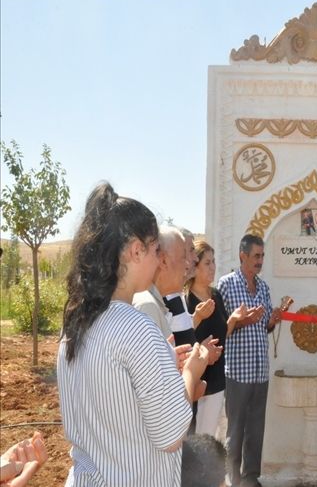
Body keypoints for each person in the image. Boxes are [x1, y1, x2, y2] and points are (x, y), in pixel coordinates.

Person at [57, 182, 208, 486]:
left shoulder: (76, 321)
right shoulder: (136, 328)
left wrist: (163, 359)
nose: (158, 261)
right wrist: (190, 373)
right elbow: (171, 434)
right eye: (155, 250)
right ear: (136, 250)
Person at [217, 234, 280, 487]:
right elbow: (222, 328)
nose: (260, 261)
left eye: (262, 256)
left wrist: (271, 321)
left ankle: (251, 478)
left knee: (256, 431)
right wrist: (242, 321)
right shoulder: (226, 284)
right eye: (256, 256)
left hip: (260, 372)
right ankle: (233, 480)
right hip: (237, 372)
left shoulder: (264, 287)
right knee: (235, 432)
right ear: (242, 256)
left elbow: (263, 327)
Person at [186, 240, 262, 439]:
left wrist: (234, 319)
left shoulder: (216, 295)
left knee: (211, 439)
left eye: (214, 262)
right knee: (197, 439)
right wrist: (197, 317)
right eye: (207, 263)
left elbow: (222, 336)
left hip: (218, 380)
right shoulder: (187, 300)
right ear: (194, 266)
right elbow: (182, 340)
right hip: (198, 382)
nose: (213, 268)